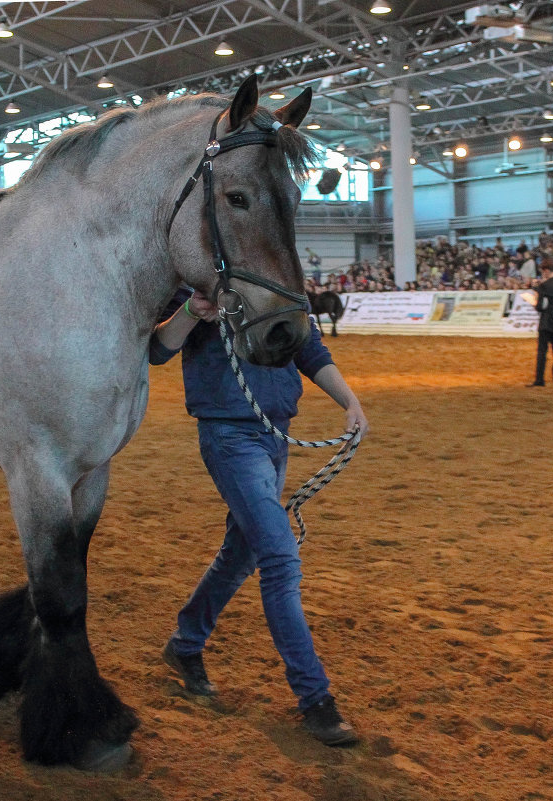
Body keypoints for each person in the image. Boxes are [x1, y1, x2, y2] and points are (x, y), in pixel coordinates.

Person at [149, 287, 369, 747]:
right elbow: (158, 349)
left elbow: (308, 347)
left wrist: (348, 400)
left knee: (242, 553)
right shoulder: (197, 281)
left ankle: (186, 643)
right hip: (229, 436)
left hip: (275, 435)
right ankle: (315, 698)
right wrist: (192, 310)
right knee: (280, 557)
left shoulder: (281, 278)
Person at [529, 262, 553, 387]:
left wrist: (536, 292)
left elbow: (540, 307)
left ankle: (540, 380)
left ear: (546, 270)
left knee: (542, 352)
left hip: (546, 322)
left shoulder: (544, 286)